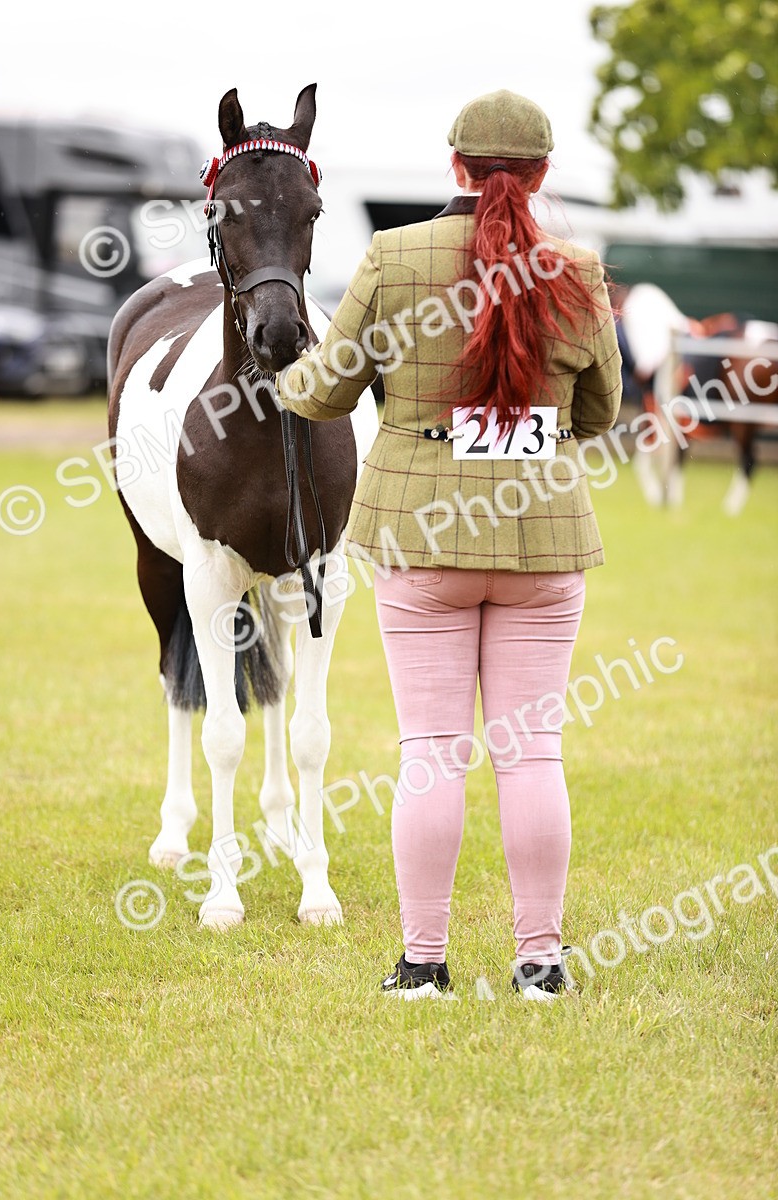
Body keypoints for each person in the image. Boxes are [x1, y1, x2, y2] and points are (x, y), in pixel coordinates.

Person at [277, 89, 622, 1002]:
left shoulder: (392, 257)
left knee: (431, 750)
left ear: (455, 166)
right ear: (542, 176)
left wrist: (277, 371)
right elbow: (599, 414)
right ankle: (540, 964)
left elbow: (323, 394)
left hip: (419, 539)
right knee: (533, 753)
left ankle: (423, 965)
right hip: (541, 539)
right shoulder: (579, 270)